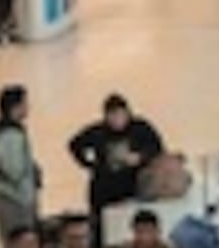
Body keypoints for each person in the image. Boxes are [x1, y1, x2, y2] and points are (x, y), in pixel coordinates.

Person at [70, 93, 167, 225]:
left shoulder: (140, 128)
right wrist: (90, 165)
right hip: (104, 188)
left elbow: (158, 148)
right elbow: (74, 144)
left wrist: (141, 157)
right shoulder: (98, 132)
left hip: (132, 186)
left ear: (127, 113)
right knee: (102, 226)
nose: (116, 120)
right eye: (112, 116)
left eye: (120, 115)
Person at [0, 84, 40, 238]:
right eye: (25, 103)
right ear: (15, 107)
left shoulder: (6, 132)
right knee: (20, 242)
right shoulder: (11, 135)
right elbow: (13, 169)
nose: (28, 107)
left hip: (12, 196)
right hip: (15, 199)